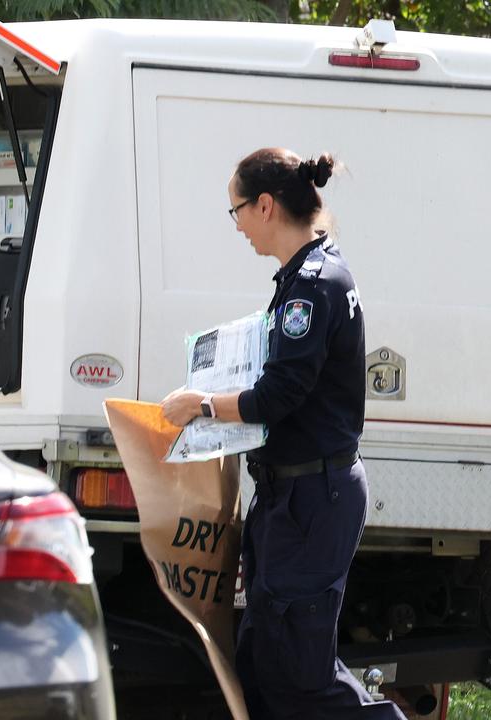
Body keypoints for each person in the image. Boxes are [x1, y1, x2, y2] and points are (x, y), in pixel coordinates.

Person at [162, 148, 406, 720]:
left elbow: (279, 395)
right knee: (264, 666)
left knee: (299, 675)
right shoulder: (309, 274)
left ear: (265, 206)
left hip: (312, 500)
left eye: (237, 211)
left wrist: (202, 405)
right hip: (290, 498)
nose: (239, 226)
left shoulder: (311, 287)